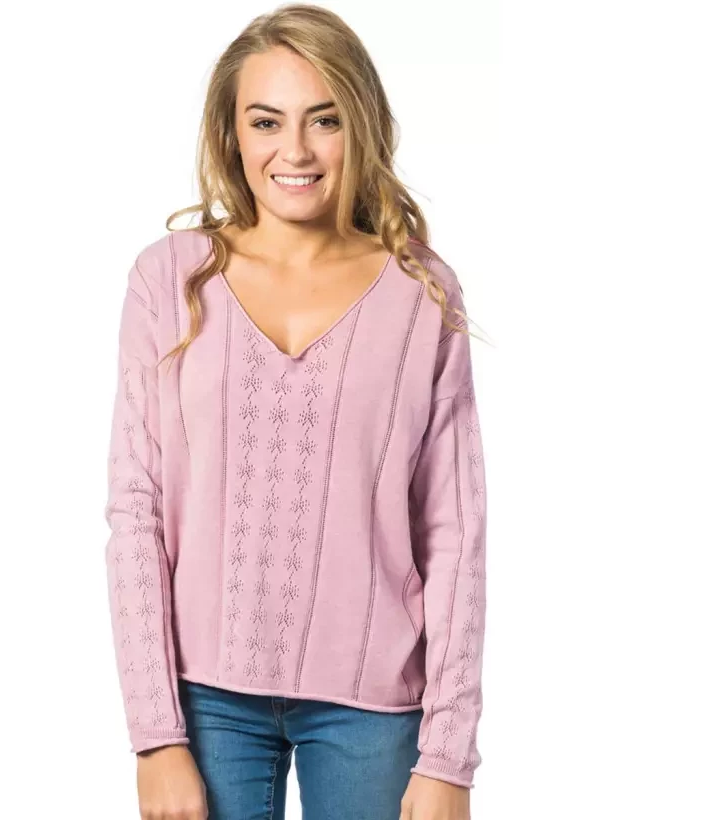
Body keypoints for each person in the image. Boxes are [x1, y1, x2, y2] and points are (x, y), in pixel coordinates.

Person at [103, 5, 488, 819]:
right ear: (231, 133)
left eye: (325, 119)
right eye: (266, 121)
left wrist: (449, 755)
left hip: (374, 703)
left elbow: (454, 532)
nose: (297, 151)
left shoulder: (421, 293)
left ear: (362, 125)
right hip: (204, 701)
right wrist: (155, 736)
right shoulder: (168, 281)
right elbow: (136, 511)